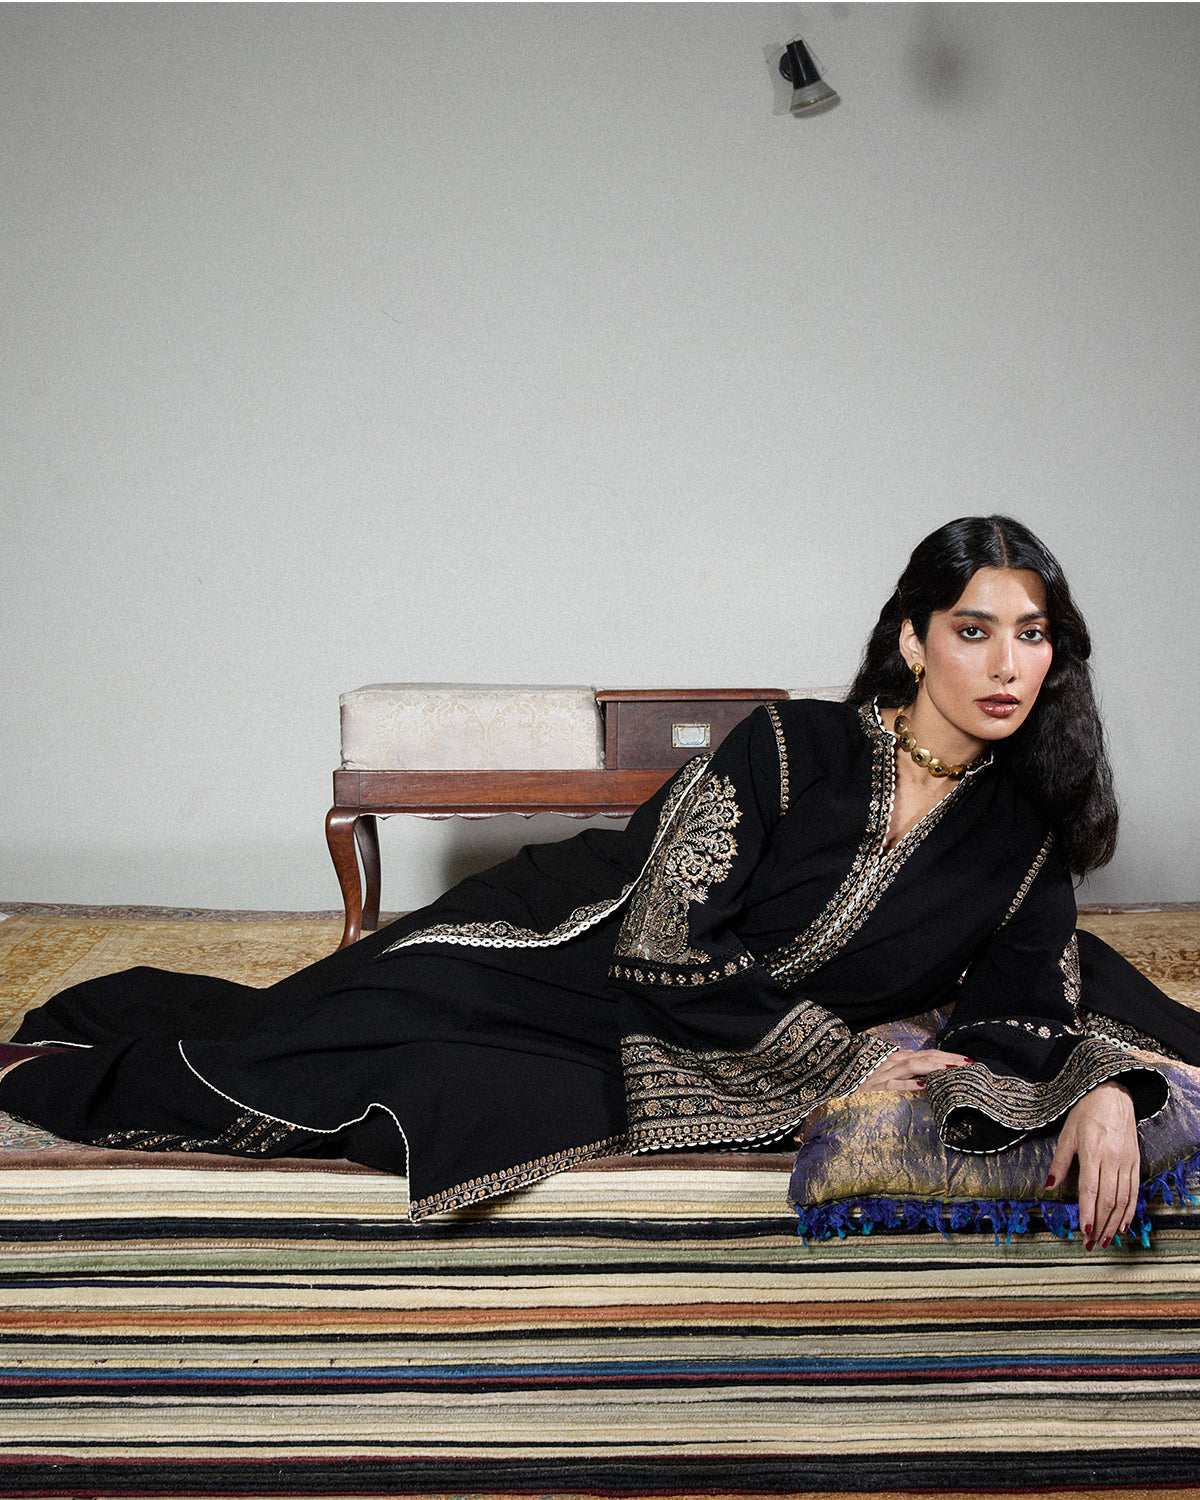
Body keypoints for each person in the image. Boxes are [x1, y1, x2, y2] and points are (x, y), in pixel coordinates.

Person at [2, 516, 1196, 1251]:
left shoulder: (1020, 839)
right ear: (912, 640)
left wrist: (1105, 1090)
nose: (1005, 663)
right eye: (974, 630)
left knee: (418, 1090)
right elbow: (666, 937)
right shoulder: (794, 744)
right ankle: (48, 1065)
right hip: (560, 948)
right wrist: (846, 1061)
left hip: (672, 1048)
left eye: (1031, 634)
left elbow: (1029, 1005)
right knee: (306, 1030)